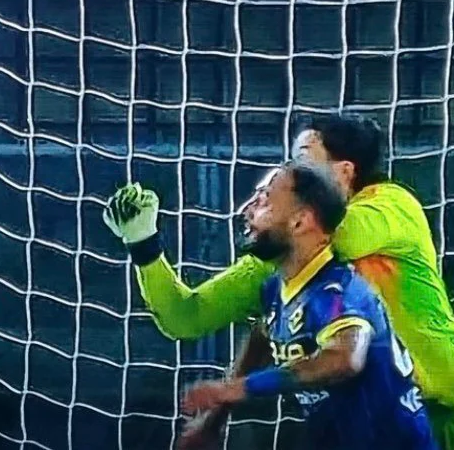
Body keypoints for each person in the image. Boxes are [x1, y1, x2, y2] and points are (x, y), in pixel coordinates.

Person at [103, 113, 454, 450]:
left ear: (344, 171)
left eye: (302, 163)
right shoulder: (282, 266)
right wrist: (144, 245)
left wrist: (277, 230)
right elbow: (187, 317)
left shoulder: (390, 205)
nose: (290, 173)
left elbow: (338, 239)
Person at [121, 163, 436, 449]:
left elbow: (345, 359)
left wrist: (237, 389)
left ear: (300, 221)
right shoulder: (278, 288)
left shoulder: (337, 290)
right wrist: (213, 421)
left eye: (264, 200)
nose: (247, 210)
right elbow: (262, 335)